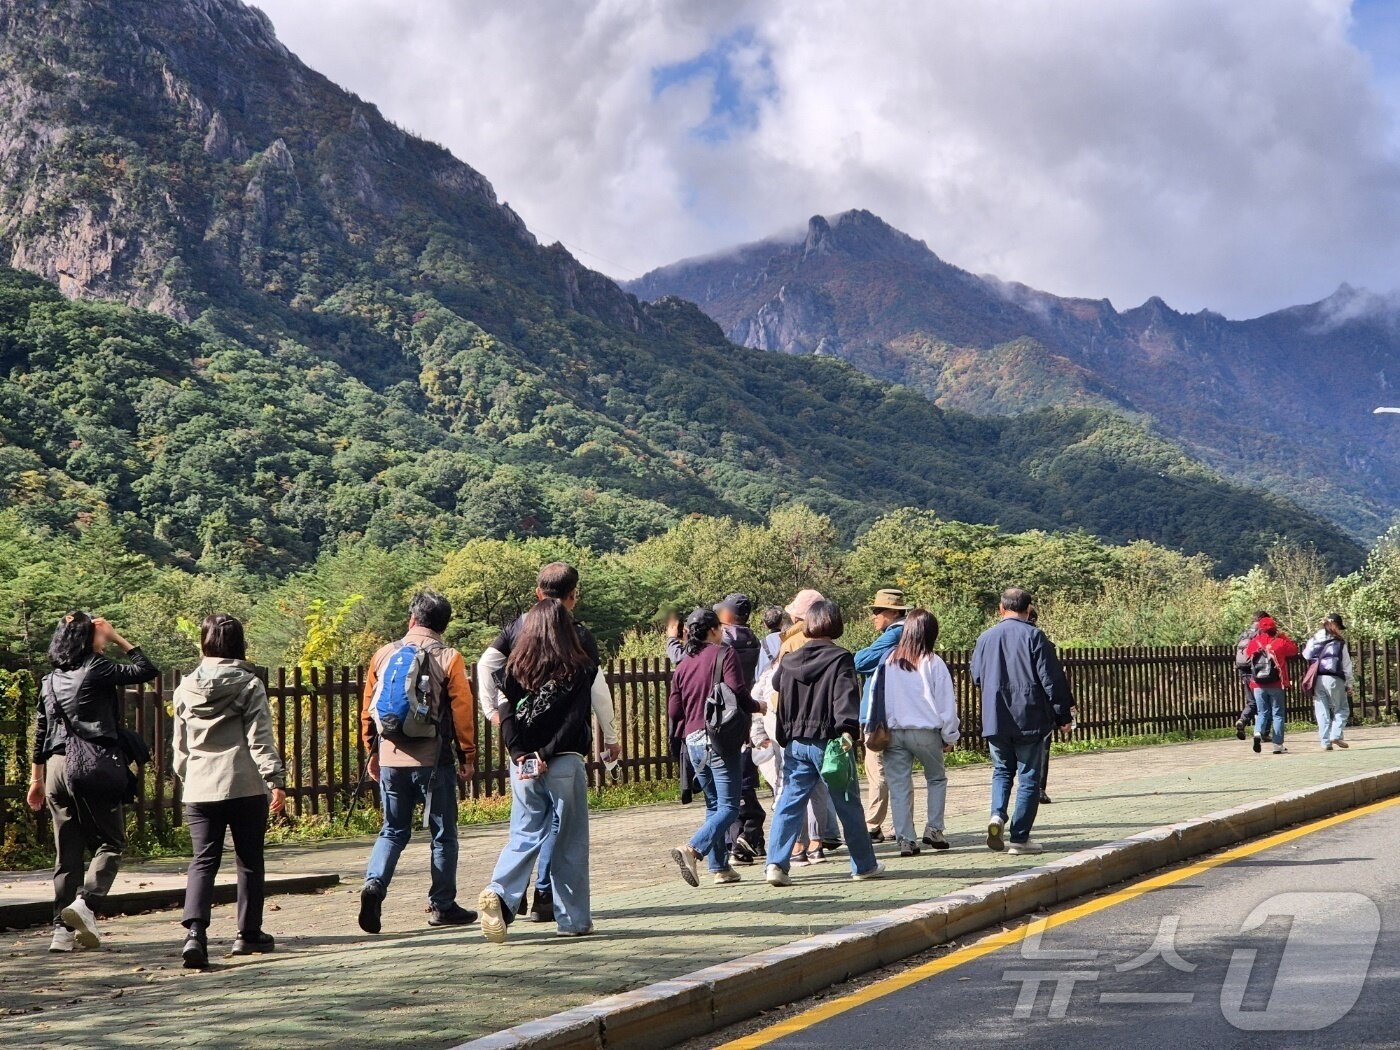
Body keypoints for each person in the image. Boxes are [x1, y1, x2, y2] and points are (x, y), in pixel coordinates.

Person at [475, 562, 621, 923]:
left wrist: (515, 748)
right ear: (572, 597)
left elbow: (492, 678)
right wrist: (610, 735)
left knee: (524, 833)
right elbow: (584, 706)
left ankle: (500, 891)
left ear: (538, 596)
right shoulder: (579, 651)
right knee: (569, 840)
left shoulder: (514, 654)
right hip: (564, 757)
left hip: (522, 761)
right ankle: (571, 920)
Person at [27, 613, 159, 953]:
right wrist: (117, 638)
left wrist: (36, 779)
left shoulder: (49, 680)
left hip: (55, 768)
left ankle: (61, 932)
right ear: (88, 638)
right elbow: (146, 670)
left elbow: (41, 732)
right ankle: (86, 903)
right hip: (91, 765)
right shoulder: (97, 669)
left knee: (67, 851)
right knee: (111, 842)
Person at [171, 614, 287, 969]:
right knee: (249, 860)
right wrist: (275, 779)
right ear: (240, 645)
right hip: (243, 783)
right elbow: (259, 738)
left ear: (204, 643)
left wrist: (188, 776)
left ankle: (195, 934)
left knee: (203, 860)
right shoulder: (249, 684)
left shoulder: (185, 687)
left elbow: (180, 746)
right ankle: (248, 934)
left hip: (199, 786)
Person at [358, 592, 478, 934]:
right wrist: (468, 754)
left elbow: (368, 707)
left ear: (412, 619)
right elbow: (462, 711)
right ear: (443, 625)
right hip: (434, 760)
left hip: (391, 757)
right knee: (443, 834)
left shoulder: (384, 654)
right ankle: (443, 905)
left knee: (393, 830)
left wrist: (372, 750)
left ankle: (374, 885)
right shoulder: (449, 657)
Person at [764, 600, 884, 886]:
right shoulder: (840, 658)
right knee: (847, 803)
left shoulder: (790, 660)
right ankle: (864, 866)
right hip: (830, 743)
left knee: (789, 803)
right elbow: (844, 696)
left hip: (796, 742)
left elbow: (778, 685)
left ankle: (775, 864)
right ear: (835, 623)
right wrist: (847, 731)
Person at [971, 587, 1072, 856]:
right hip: (1029, 717)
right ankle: (1019, 839)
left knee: (1001, 771)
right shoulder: (1034, 635)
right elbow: (1051, 679)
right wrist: (1063, 715)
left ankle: (996, 815)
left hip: (995, 717)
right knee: (1028, 777)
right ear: (1028, 609)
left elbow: (976, 676)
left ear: (1001, 609)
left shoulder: (985, 637)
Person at [667, 608, 759, 886]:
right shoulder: (724, 654)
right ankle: (692, 849)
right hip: (719, 739)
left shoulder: (683, 664)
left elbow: (674, 710)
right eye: (720, 628)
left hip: (693, 741)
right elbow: (738, 691)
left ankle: (720, 868)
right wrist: (758, 706)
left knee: (714, 804)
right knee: (729, 807)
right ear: (713, 630)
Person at [874, 609, 960, 856]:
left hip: (893, 732)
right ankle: (934, 829)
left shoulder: (890, 660)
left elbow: (878, 696)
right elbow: (946, 704)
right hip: (925, 732)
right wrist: (950, 736)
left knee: (899, 786)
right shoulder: (933, 662)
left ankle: (905, 839)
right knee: (936, 779)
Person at [852, 588, 910, 843]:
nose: (873, 616)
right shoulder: (910, 633)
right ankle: (902, 823)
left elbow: (859, 661)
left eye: (877, 611)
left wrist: (864, 654)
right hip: (899, 713)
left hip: (879, 716)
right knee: (899, 771)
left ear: (892, 613)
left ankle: (873, 825)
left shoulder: (894, 634)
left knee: (878, 770)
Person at [717, 593, 766, 866]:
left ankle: (741, 838)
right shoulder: (752, 639)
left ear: (729, 615)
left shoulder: (726, 642)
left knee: (733, 779)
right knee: (742, 772)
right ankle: (751, 839)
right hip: (745, 713)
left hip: (726, 714)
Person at [1245, 615, 1299, 755]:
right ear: (1274, 628)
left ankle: (1258, 732)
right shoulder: (1280, 642)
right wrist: (1283, 636)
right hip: (1276, 683)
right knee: (1278, 714)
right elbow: (1294, 650)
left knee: (1262, 712)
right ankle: (1277, 745)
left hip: (1258, 684)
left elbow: (1247, 654)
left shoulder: (1255, 642)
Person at [1303, 613, 1353, 752]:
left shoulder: (1314, 639)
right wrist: (1349, 683)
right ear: (1336, 626)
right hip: (1334, 678)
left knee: (1322, 711)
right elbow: (1346, 664)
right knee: (1342, 708)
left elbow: (1306, 655)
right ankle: (1335, 735)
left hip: (1317, 678)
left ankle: (1325, 742)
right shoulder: (1339, 642)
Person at [1233, 611, 1270, 740]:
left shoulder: (1245, 633)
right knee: (1265, 702)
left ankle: (1242, 720)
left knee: (1252, 701)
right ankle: (1264, 732)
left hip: (1244, 671)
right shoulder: (1261, 633)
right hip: (1257, 671)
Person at [755, 606, 788, 679]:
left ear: (765, 625)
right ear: (782, 622)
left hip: (766, 682)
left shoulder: (760, 644)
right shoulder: (789, 640)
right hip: (784, 681)